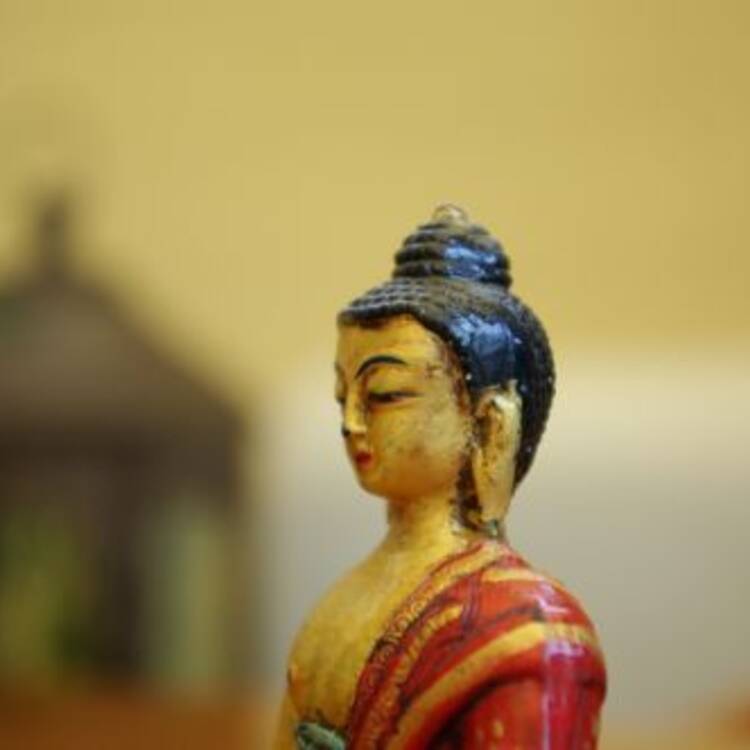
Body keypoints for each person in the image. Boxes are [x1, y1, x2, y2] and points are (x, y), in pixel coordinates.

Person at [275, 206, 606, 749]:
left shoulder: (530, 631)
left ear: (489, 422)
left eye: (384, 395)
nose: (351, 423)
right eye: (342, 397)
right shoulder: (343, 600)